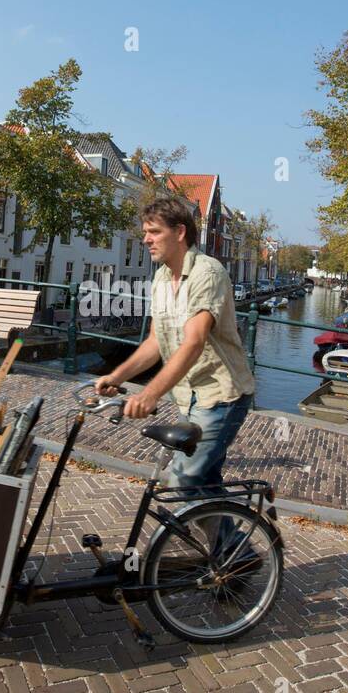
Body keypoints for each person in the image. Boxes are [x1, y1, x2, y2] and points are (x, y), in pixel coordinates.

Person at [95, 196, 256, 495]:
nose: (146, 240)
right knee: (204, 484)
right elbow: (155, 342)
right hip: (189, 396)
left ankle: (227, 541)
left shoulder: (207, 274)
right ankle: (235, 542)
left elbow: (194, 342)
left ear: (180, 233)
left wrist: (149, 394)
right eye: (145, 232)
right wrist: (117, 378)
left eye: (154, 232)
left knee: (182, 481)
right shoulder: (159, 279)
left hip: (220, 396)